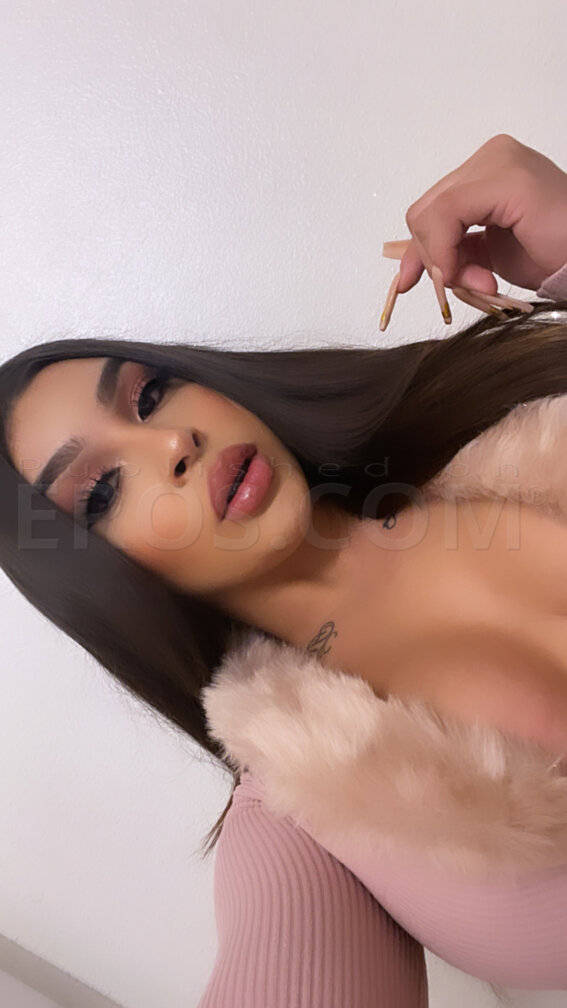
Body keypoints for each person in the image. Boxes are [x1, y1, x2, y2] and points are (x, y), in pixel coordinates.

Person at [2, 133, 567, 1005]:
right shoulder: (311, 806)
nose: (173, 442)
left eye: (148, 395)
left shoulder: (501, 414)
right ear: (99, 576)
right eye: (103, 488)